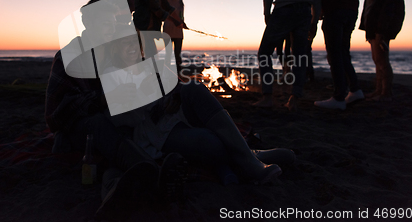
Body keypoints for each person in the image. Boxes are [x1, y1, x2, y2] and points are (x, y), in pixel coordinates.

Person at [45, 0, 183, 220]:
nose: (110, 30)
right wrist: (102, 99)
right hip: (80, 127)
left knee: (123, 129)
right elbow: (56, 114)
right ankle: (153, 176)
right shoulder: (70, 55)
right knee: (101, 125)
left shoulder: (110, 52)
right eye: (104, 24)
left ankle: (116, 188)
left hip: (111, 122)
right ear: (87, 22)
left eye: (112, 23)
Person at [101, 24, 285, 186]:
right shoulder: (111, 75)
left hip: (179, 114)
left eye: (134, 41)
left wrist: (173, 96)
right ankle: (250, 154)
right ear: (115, 48)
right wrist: (126, 100)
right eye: (125, 42)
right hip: (155, 131)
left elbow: (177, 86)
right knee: (209, 142)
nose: (132, 46)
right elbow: (118, 121)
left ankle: (249, 161)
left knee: (193, 87)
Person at [313, 0, 364, 110]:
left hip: (336, 11)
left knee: (334, 53)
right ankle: (355, 90)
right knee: (343, 52)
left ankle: (339, 97)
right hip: (351, 11)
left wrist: (322, 11)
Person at [359, 0, 405, 101]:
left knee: (382, 60)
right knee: (377, 60)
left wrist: (382, 31)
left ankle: (385, 92)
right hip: (374, 30)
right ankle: (379, 90)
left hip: (381, 31)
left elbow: (389, 12)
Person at [163, 0, 187, 72]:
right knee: (168, 54)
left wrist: (183, 24)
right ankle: (167, 72)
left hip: (178, 32)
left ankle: (178, 72)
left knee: (177, 54)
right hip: (168, 30)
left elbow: (181, 17)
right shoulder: (167, 1)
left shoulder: (181, 4)